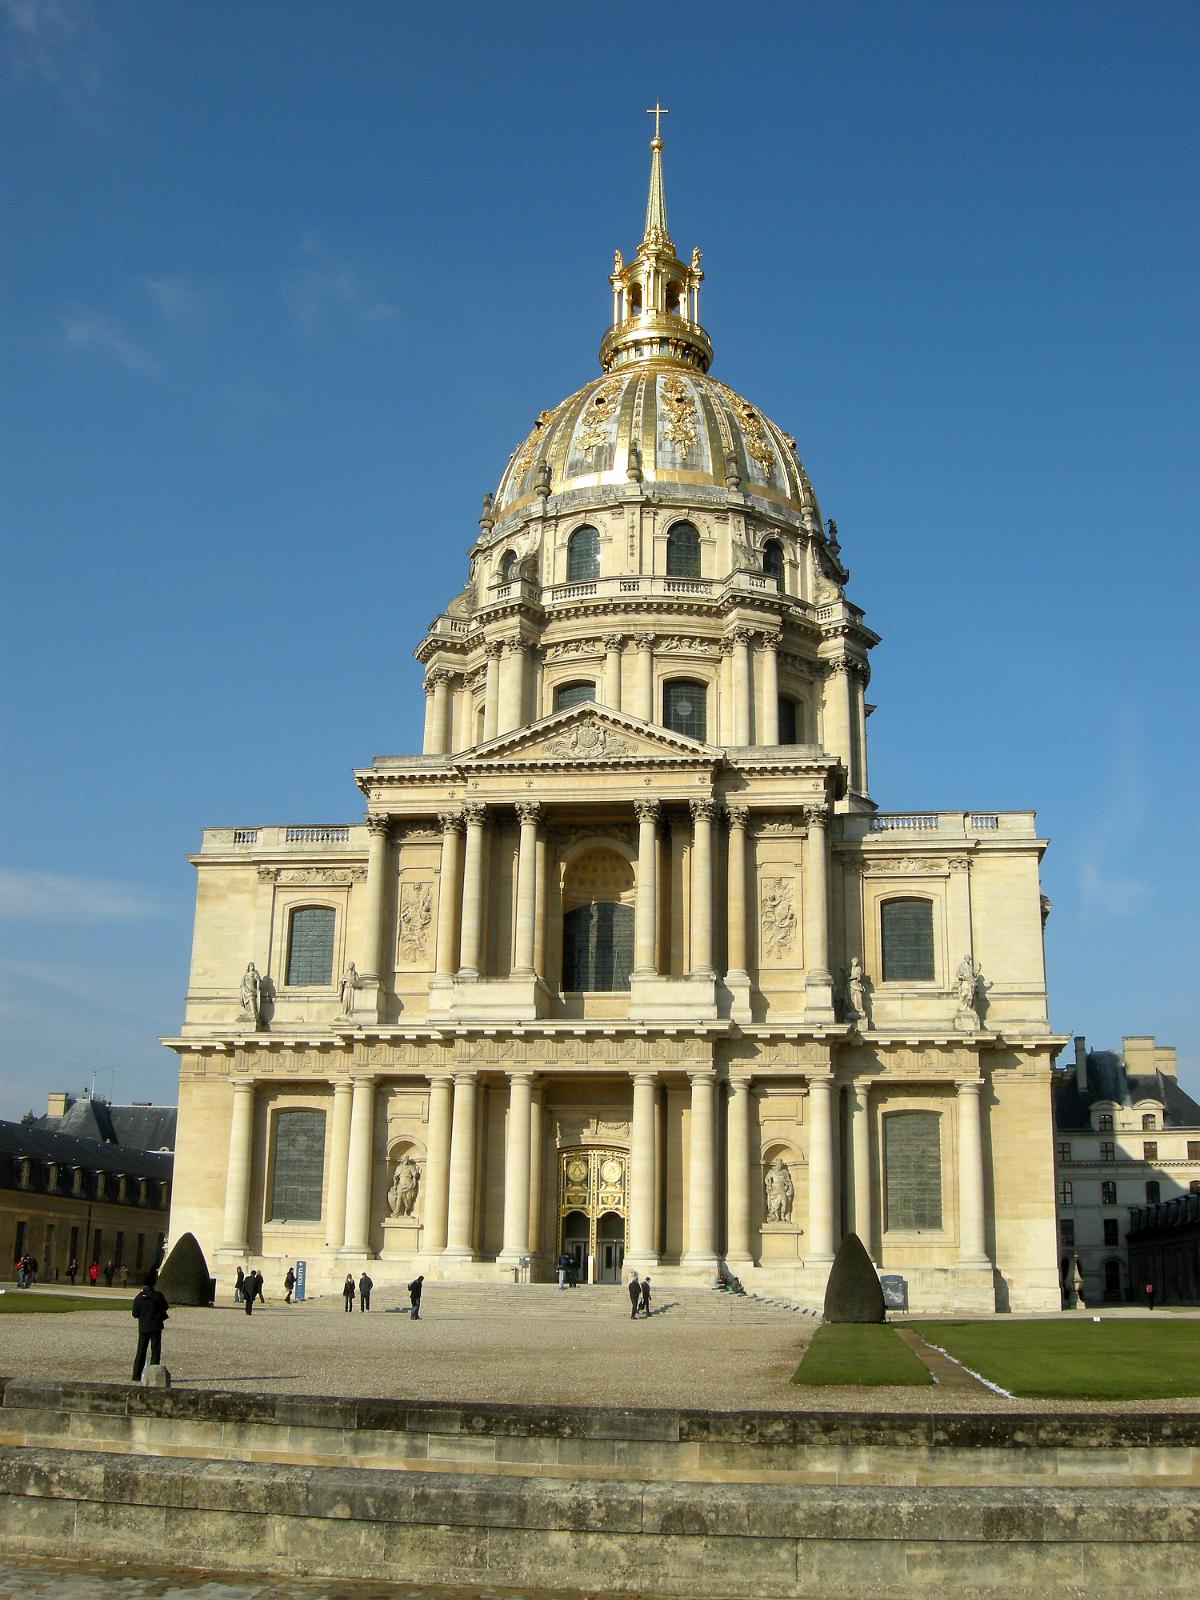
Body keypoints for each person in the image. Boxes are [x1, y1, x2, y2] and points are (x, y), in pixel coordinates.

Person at [131, 1272, 169, 1381]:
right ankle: (154, 1374)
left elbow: (135, 1314)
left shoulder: (138, 1297)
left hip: (143, 1327)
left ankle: (136, 1375)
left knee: (141, 1351)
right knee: (155, 1350)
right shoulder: (157, 1295)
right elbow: (165, 1307)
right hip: (155, 1326)